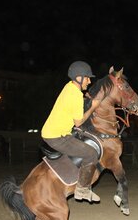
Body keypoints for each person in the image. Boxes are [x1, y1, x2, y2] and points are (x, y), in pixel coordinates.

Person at [41, 61, 101, 202]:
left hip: (54, 132)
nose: (89, 81)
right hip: (57, 137)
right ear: (79, 78)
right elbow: (79, 123)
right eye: (87, 77)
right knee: (91, 153)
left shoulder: (69, 87)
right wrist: (93, 107)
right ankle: (82, 190)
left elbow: (71, 106)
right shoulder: (75, 95)